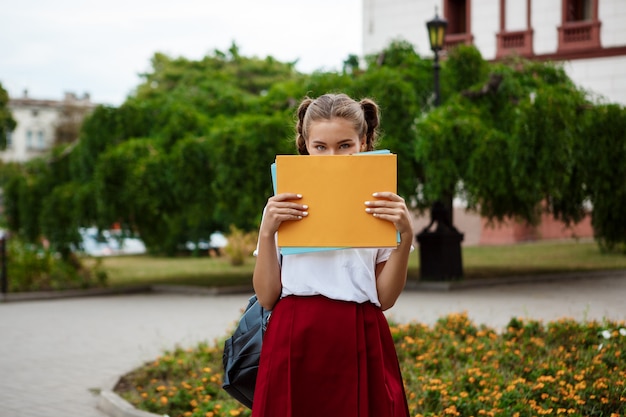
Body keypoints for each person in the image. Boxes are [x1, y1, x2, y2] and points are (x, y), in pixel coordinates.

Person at [252, 93, 414, 417]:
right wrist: (266, 231)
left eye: (344, 145)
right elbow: (267, 297)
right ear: (305, 145)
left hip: (360, 333)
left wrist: (405, 234)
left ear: (364, 141)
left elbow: (385, 298)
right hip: (294, 336)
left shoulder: (381, 203)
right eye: (320, 147)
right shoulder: (286, 203)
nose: (332, 156)